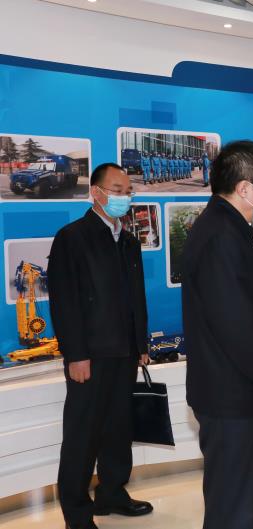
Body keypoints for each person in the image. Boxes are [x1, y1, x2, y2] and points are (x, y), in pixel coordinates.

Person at [182, 140, 253, 529]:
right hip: (230, 395)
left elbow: (252, 314)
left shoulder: (228, 228)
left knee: (243, 502)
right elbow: (238, 331)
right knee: (235, 508)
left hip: (238, 390)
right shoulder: (220, 238)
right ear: (245, 188)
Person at [48, 163, 153, 529]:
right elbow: (64, 302)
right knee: (83, 435)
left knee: (119, 429)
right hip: (90, 356)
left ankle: (112, 493)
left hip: (125, 352)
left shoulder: (128, 239)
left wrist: (141, 342)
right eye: (117, 190)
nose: (124, 197)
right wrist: (76, 354)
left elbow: (135, 297)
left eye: (128, 191)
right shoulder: (72, 238)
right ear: (96, 192)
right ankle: (77, 514)